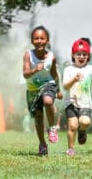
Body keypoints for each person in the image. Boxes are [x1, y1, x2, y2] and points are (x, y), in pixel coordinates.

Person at [22, 25, 63, 156]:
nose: (39, 41)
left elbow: (54, 75)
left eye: (42, 38)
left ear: (47, 41)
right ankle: (42, 144)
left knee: (48, 100)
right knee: (38, 117)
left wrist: (59, 89)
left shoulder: (52, 57)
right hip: (32, 90)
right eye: (36, 38)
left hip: (48, 85)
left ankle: (52, 128)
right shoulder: (28, 55)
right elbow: (25, 74)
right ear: (32, 41)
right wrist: (35, 69)